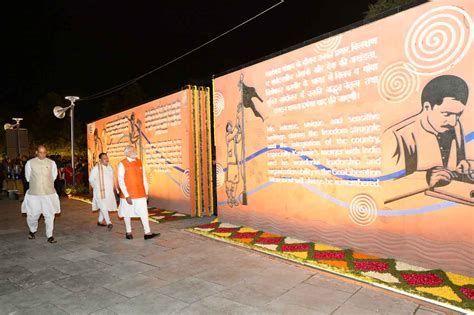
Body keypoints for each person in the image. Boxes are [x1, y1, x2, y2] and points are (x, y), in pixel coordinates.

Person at [389, 75, 473, 188]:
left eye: (458, 115)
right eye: (447, 114)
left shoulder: (456, 126)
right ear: (427, 107)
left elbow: (458, 169)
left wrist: (467, 168)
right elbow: (388, 184)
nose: (453, 122)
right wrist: (426, 179)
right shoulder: (399, 135)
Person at [117, 145, 159, 240]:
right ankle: (128, 232)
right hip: (128, 195)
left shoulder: (139, 162)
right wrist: (127, 195)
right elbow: (121, 180)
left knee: (144, 212)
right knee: (127, 213)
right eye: (132, 150)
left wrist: (146, 192)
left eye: (134, 150)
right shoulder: (122, 164)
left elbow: (144, 178)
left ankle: (147, 233)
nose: (135, 151)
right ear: (127, 153)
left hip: (140, 193)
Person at [21, 145, 60, 243]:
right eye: (40, 152)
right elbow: (28, 177)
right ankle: (32, 230)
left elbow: (54, 176)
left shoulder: (52, 163)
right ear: (36, 152)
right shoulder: (30, 163)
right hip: (34, 194)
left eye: (44, 152)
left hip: (49, 193)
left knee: (50, 215)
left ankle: (50, 235)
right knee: (33, 215)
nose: (42, 154)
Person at [89, 153, 118, 230]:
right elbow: (91, 179)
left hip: (109, 191)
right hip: (99, 191)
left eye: (107, 158)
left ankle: (100, 221)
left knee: (105, 206)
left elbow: (113, 178)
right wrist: (96, 187)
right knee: (103, 206)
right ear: (100, 160)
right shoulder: (96, 168)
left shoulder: (109, 167)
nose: (106, 159)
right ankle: (109, 223)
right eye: (104, 158)